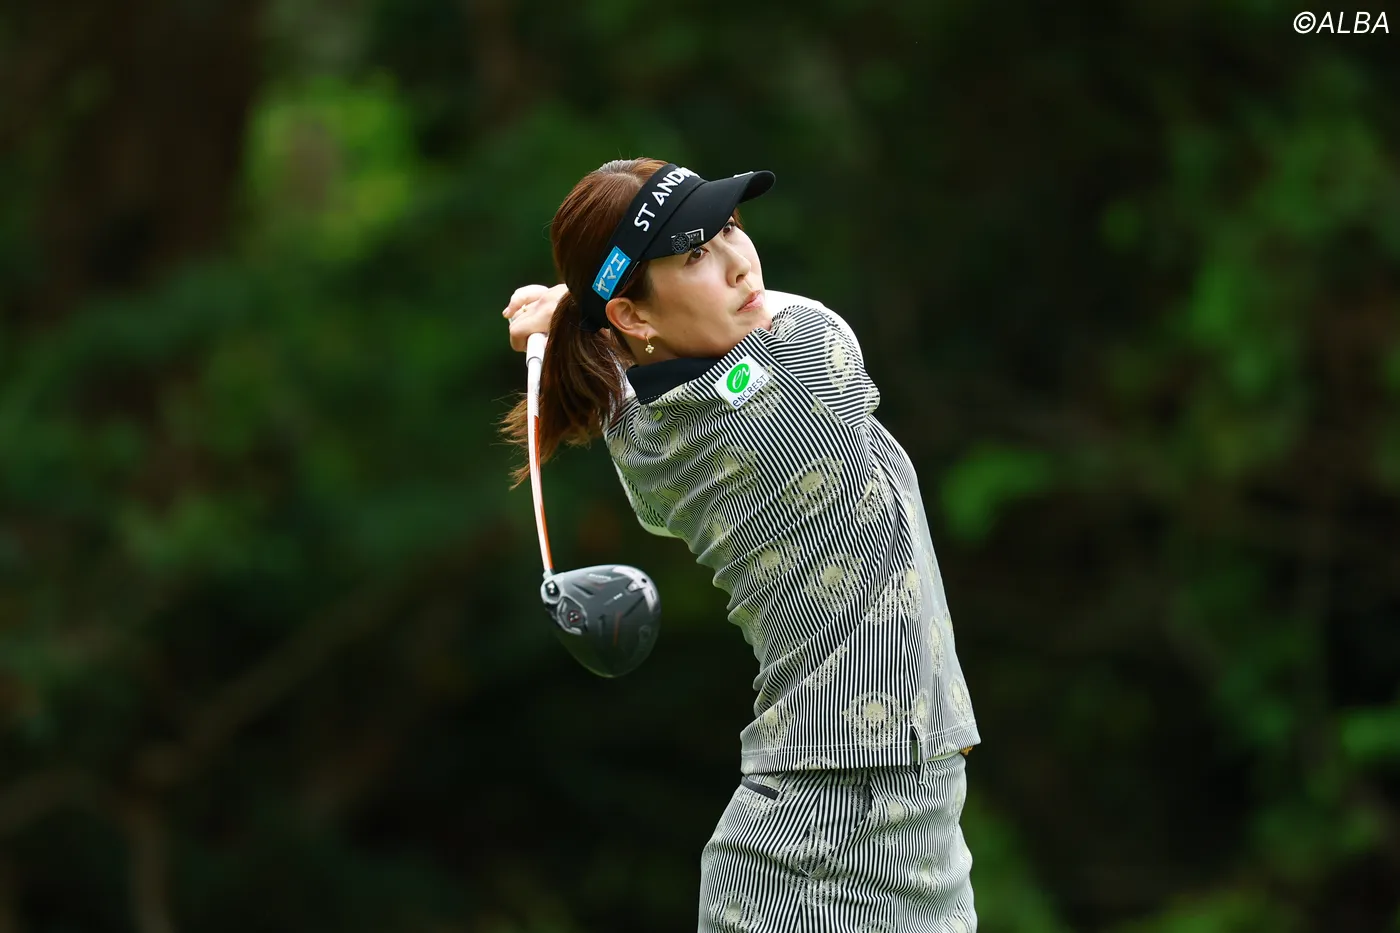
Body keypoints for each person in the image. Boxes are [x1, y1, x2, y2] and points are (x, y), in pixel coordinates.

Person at [500, 158, 981, 933]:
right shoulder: (800, 367)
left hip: (865, 813)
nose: (737, 263)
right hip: (840, 831)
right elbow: (796, 315)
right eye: (694, 253)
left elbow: (643, 354)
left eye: (728, 228)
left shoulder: (642, 438)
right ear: (631, 315)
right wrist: (567, 311)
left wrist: (579, 316)